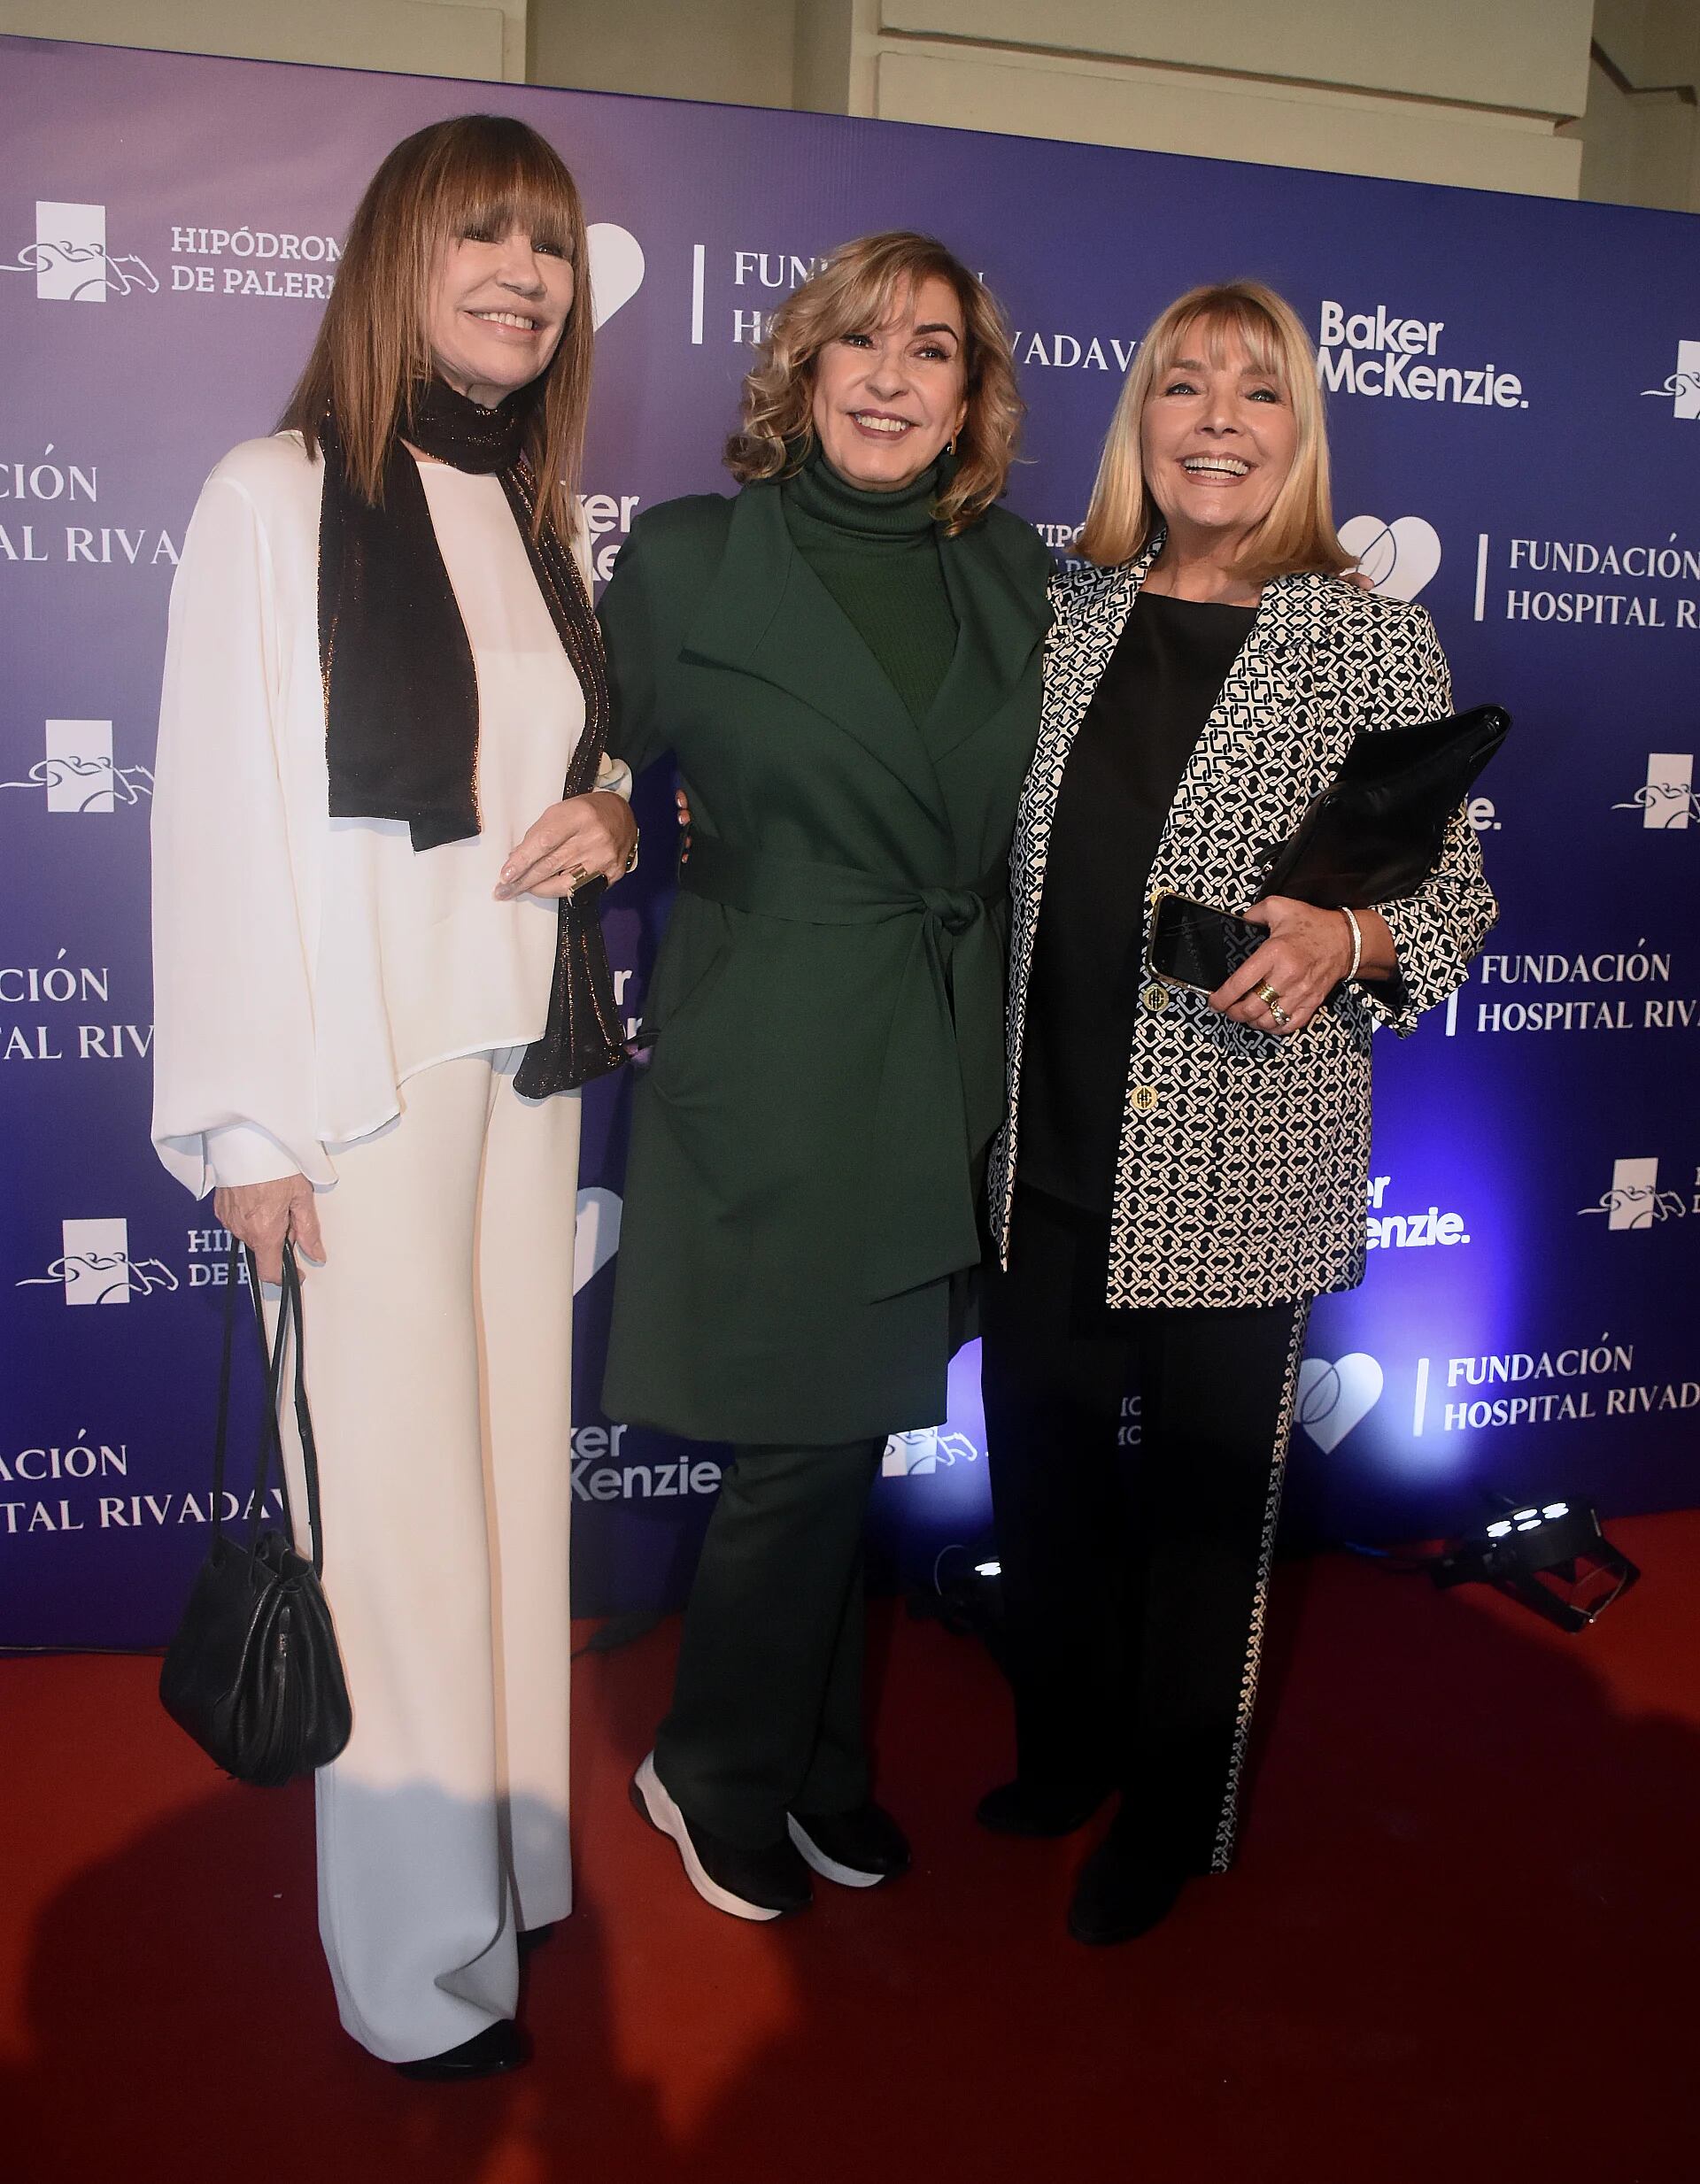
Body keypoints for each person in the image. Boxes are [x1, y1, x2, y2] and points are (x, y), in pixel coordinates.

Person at [150, 115, 638, 2078]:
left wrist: (611, 813)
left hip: (527, 1070)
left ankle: (510, 1873)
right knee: (402, 1531)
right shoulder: (273, 495)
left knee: (512, 1497)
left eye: (550, 244)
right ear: (398, 256)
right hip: (355, 1088)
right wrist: (248, 1131)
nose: (523, 271)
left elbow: (568, 770)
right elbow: (215, 823)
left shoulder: (541, 514)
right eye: (483, 235)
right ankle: (415, 1970)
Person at [978, 281, 1497, 1946]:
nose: (1216, 418)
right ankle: (1064, 1750)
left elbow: (1460, 887)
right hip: (1038, 1141)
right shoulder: (1068, 609)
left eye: (1255, 393)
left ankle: (1174, 1817)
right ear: (1140, 419)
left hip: (1235, 1153)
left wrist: (1350, 935)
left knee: (1209, 1520)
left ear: (1299, 433)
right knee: (1044, 1481)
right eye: (1184, 386)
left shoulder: (1364, 632)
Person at [599, 231, 1050, 1921]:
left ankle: (808, 1766)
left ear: (969, 401)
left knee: (853, 1427)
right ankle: (712, 1767)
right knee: (801, 1436)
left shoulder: (1019, 578)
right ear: (799, 370)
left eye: (930, 350)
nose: (888, 375)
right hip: (772, 1043)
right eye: (858, 342)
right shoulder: (696, 557)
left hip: (937, 1047)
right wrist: (623, 807)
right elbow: (580, 743)